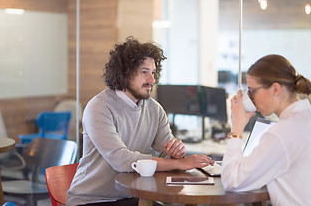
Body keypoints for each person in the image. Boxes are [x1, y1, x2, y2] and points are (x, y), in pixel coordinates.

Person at [67, 37, 214, 206]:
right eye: (144, 72)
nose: (151, 80)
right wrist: (181, 163)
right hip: (92, 199)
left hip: (131, 196)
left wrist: (175, 153)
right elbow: (121, 160)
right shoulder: (99, 107)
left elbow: (166, 152)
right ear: (124, 73)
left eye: (153, 72)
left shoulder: (155, 109)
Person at [221, 54, 311, 206]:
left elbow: (232, 180)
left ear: (275, 89)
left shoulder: (282, 133)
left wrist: (237, 127)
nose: (250, 99)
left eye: (252, 91)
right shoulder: (304, 117)